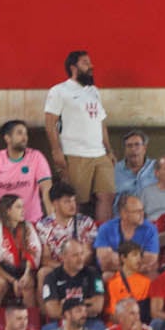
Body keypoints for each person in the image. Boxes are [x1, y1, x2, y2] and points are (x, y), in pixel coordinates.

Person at [44, 50, 116, 222]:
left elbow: (101, 122)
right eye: (85, 62)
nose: (91, 66)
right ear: (73, 67)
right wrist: (56, 152)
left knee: (107, 196)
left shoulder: (94, 91)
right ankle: (76, 238)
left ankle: (101, 237)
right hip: (75, 154)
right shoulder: (59, 91)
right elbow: (50, 123)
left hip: (99, 154)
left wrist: (109, 150)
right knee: (76, 200)